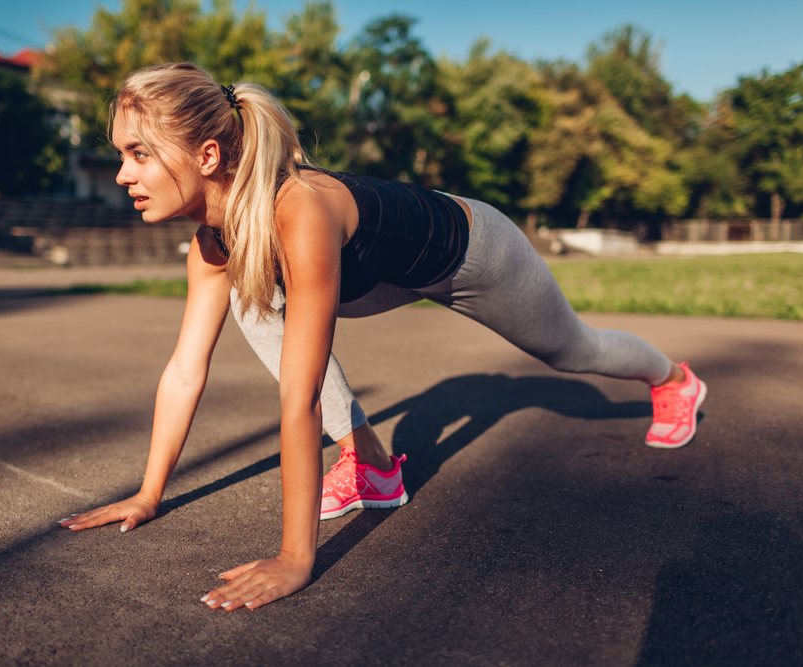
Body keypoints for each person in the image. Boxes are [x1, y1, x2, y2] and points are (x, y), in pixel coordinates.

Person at [58, 62, 707, 611]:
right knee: (251, 301)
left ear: (206, 156)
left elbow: (300, 399)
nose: (122, 174)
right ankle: (370, 461)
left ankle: (674, 379)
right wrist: (148, 493)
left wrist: (294, 557)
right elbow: (183, 369)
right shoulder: (212, 244)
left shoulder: (298, 208)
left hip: (472, 254)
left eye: (138, 154)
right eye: (121, 154)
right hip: (375, 278)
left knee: (574, 350)